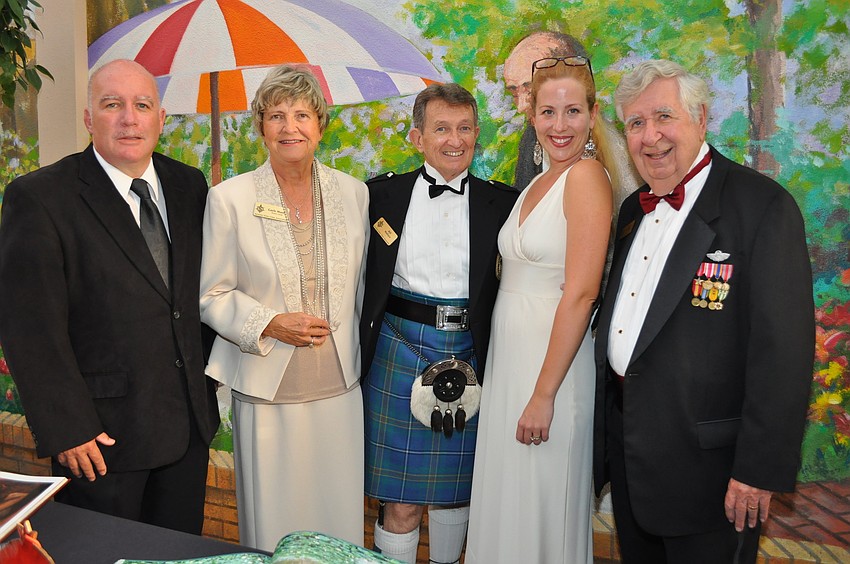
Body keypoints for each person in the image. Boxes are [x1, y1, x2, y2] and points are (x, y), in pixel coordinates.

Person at [592, 59, 815, 563]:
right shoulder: (632, 211)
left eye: (664, 116)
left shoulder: (762, 207)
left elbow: (783, 353)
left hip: (713, 476)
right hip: (633, 460)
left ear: (701, 118)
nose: (651, 136)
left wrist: (756, 471)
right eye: (636, 123)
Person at [0, 59, 220, 534]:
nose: (129, 119)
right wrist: (67, 427)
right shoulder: (40, 198)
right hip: (99, 442)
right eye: (112, 105)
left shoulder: (189, 185)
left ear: (161, 118)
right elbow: (29, 329)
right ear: (88, 118)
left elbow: (194, 299)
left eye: (142, 105)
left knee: (179, 556)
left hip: (187, 430)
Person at [199, 65, 369, 551]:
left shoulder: (354, 194)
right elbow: (211, 295)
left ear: (320, 125)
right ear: (260, 127)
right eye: (276, 116)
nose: (289, 127)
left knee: (336, 523)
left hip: (340, 388)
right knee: (275, 528)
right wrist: (269, 322)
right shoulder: (229, 199)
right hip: (266, 388)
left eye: (301, 115)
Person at [466, 55, 615, 564]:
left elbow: (582, 294)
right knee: (510, 500)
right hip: (512, 365)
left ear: (592, 115)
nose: (559, 125)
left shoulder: (587, 177)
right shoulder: (539, 181)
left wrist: (544, 394)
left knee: (538, 505)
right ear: (531, 116)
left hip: (550, 372)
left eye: (573, 111)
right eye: (548, 112)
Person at [361, 83, 517, 564]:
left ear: (477, 134)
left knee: (458, 496)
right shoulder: (378, 196)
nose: (455, 140)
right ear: (417, 138)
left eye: (465, 128)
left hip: (471, 350)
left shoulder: (504, 204)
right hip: (398, 348)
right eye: (442, 128)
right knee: (402, 501)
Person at [504, 30, 639, 204]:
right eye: (514, 92)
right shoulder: (531, 139)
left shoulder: (608, 157)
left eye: (529, 89)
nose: (521, 106)